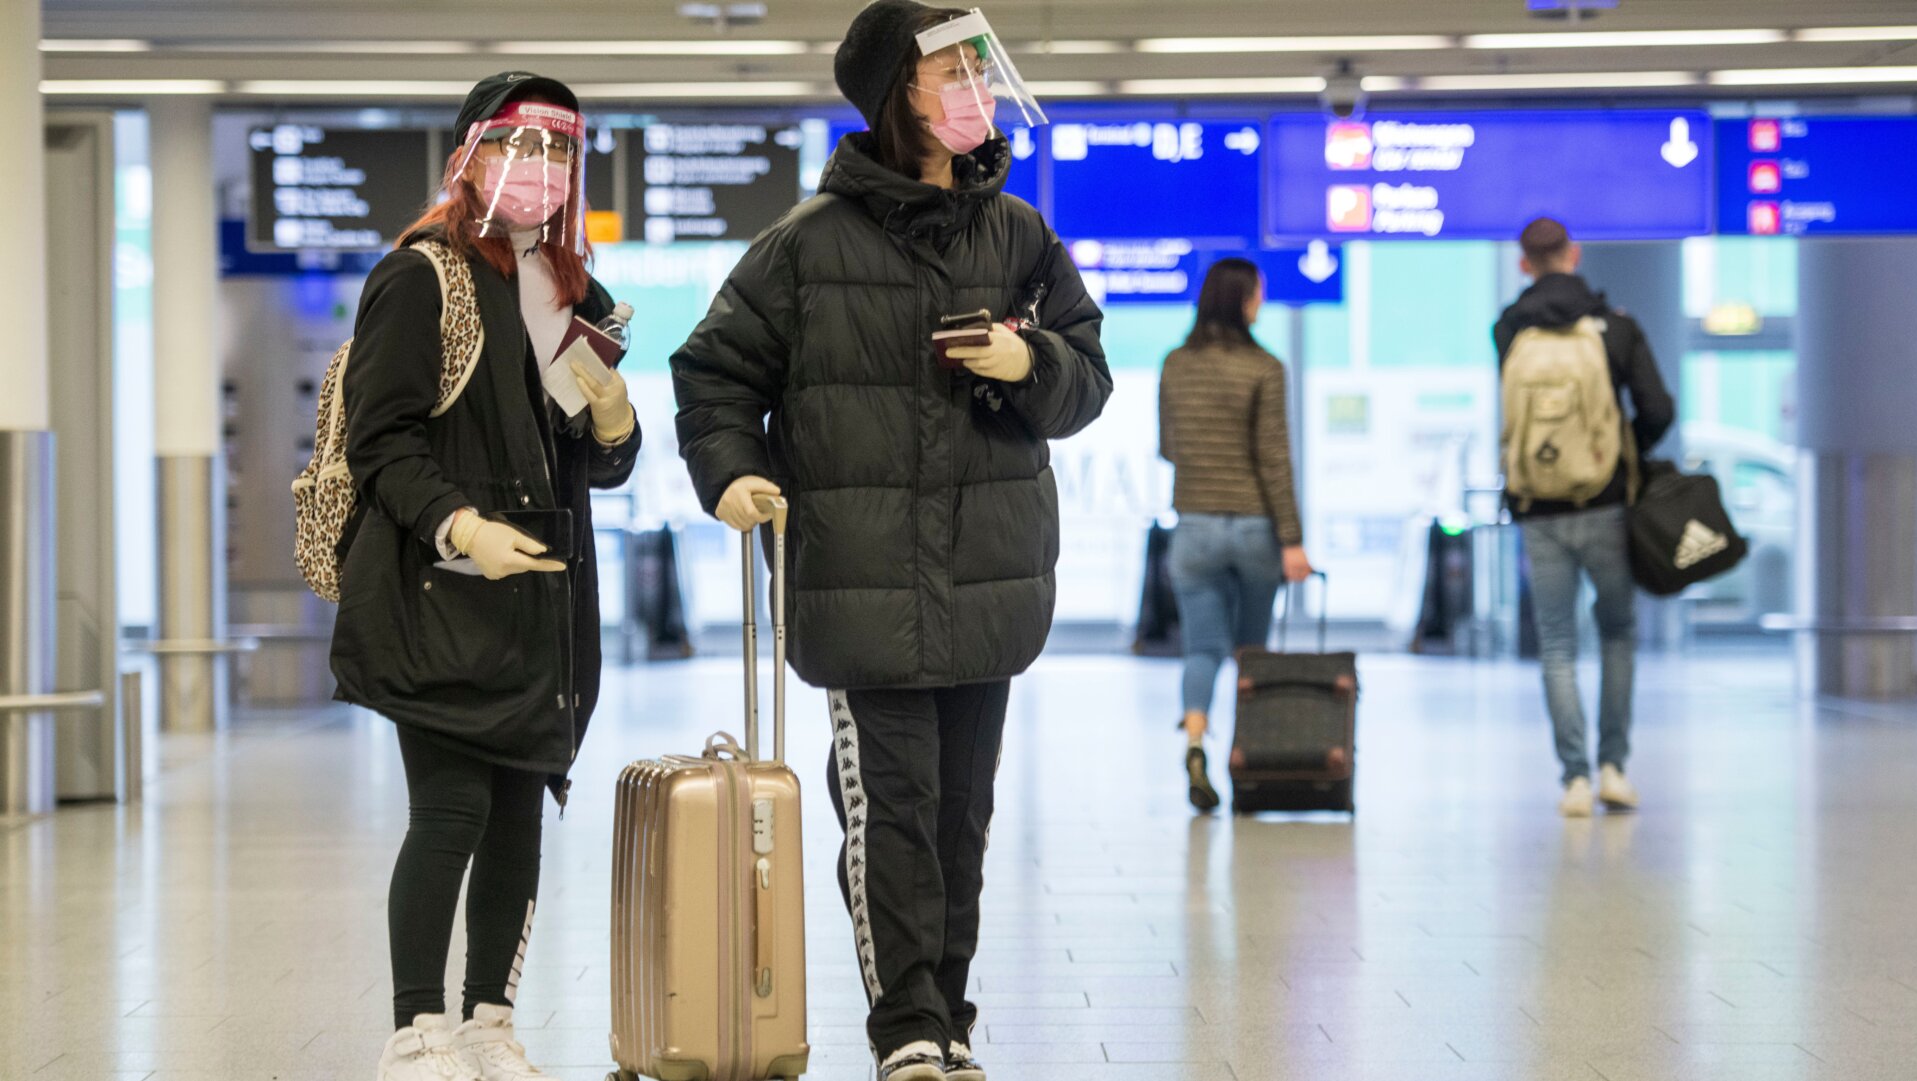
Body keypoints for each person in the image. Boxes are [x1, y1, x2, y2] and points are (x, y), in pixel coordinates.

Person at [670, 4, 1109, 1077]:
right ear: (893, 94)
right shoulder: (805, 246)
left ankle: (948, 1014)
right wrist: (733, 474)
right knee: (891, 816)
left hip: (987, 577)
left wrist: (1030, 365)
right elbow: (713, 374)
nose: (978, 87)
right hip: (860, 579)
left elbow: (1087, 379)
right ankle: (905, 1025)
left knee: (962, 817)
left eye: (980, 68)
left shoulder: (1022, 237)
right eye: (952, 69)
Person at [329, 72, 639, 1081]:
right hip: (442, 590)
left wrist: (617, 426)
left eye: (558, 153)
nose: (538, 172)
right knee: (452, 808)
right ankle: (415, 1030)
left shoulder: (565, 292)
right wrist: (463, 524)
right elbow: (383, 441)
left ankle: (488, 1023)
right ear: (468, 156)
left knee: (516, 815)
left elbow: (585, 460)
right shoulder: (421, 278)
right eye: (518, 147)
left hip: (544, 596)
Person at [1495, 217, 1673, 818]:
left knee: (1556, 645)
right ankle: (1612, 767)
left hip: (1535, 507)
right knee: (1618, 634)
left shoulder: (1508, 329)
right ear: (1574, 255)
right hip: (1605, 505)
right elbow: (1658, 408)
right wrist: (1629, 453)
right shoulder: (1616, 329)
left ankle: (1572, 779)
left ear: (1523, 264)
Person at [1158, 258, 1314, 813]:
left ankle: (1196, 743)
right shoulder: (1264, 367)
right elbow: (1274, 460)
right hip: (1253, 529)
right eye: (1258, 295)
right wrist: (1292, 541)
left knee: (1202, 648)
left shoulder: (1176, 363)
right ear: (1244, 300)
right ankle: (1250, 761)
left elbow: (1168, 447)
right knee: (1252, 652)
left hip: (1195, 526)